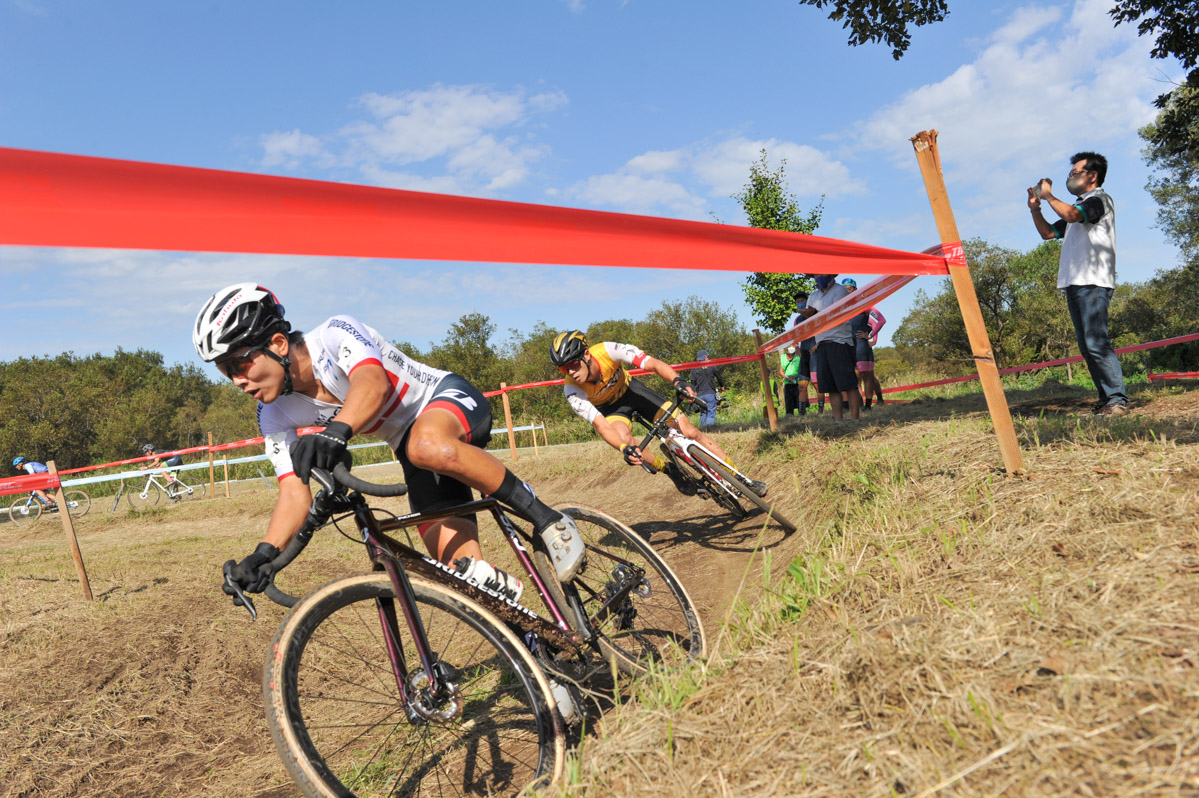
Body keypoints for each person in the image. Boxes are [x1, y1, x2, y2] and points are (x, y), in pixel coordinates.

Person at [195, 283, 584, 608]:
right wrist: (266, 554)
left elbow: (372, 384)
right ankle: (546, 657)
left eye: (238, 364)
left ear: (278, 343)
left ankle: (550, 521)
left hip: (443, 399)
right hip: (411, 447)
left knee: (425, 443)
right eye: (224, 371)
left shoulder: (333, 334)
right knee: (464, 577)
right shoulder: (273, 413)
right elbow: (293, 494)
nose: (235, 380)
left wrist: (338, 431)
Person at [549, 330, 766, 497]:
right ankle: (669, 469)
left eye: (573, 364)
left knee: (688, 429)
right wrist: (625, 448)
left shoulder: (607, 350)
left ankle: (740, 478)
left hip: (633, 391)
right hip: (612, 410)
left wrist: (678, 381)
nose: (570, 372)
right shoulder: (572, 389)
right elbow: (601, 425)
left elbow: (652, 363)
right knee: (627, 441)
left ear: (586, 354)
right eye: (562, 369)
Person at [1029, 152, 1128, 417]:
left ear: (1092, 176)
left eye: (1075, 173)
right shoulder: (1078, 206)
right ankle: (1106, 399)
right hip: (1074, 283)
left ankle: (1117, 400)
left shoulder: (1099, 201)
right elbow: (1048, 233)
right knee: (1087, 346)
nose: (1070, 177)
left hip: (1093, 282)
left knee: (1097, 342)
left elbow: (1073, 215)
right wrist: (1036, 208)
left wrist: (1049, 197)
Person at [799, 274, 862, 421]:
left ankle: (855, 419)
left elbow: (836, 315)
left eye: (822, 273)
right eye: (816, 274)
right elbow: (812, 322)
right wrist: (807, 316)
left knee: (848, 384)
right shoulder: (813, 297)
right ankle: (838, 420)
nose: (819, 276)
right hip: (821, 343)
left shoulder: (840, 291)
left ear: (830, 273)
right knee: (830, 386)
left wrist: (814, 314)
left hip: (840, 341)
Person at [841, 278, 887, 409]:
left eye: (849, 289)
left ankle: (869, 404)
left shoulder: (864, 304)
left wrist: (871, 336)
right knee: (854, 377)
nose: (847, 292)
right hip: (848, 345)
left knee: (868, 375)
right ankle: (857, 403)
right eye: (844, 290)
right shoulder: (842, 308)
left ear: (855, 290)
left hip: (862, 345)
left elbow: (880, 320)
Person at [690, 349, 725, 429]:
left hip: (700, 395)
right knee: (711, 411)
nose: (708, 358)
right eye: (708, 357)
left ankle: (702, 430)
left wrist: (693, 393)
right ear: (705, 357)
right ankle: (709, 430)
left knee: (703, 413)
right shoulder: (711, 365)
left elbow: (692, 382)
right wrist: (722, 386)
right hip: (710, 393)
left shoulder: (694, 368)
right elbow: (719, 376)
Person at [779, 344, 803, 416]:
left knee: (799, 401)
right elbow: (781, 371)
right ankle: (789, 416)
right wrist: (786, 377)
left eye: (792, 347)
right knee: (788, 402)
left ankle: (801, 415)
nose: (791, 348)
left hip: (797, 383)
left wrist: (795, 376)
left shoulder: (799, 357)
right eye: (789, 347)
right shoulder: (783, 358)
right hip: (788, 383)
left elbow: (803, 370)